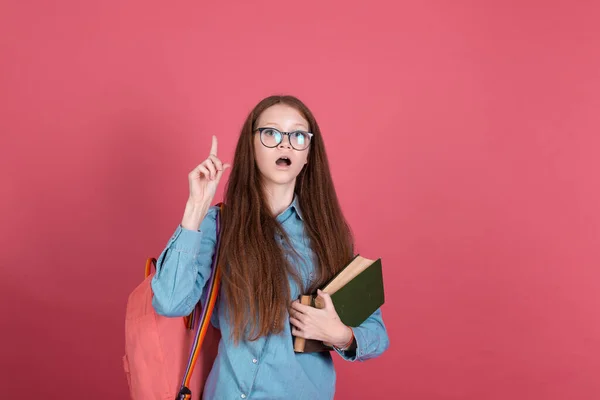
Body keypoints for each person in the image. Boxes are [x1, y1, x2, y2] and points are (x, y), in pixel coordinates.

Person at [151, 95, 389, 399]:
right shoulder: (218, 224)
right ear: (251, 147)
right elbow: (170, 303)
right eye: (271, 133)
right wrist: (196, 207)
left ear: (308, 155)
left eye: (298, 136)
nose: (285, 144)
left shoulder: (329, 235)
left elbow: (377, 334)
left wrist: (340, 336)